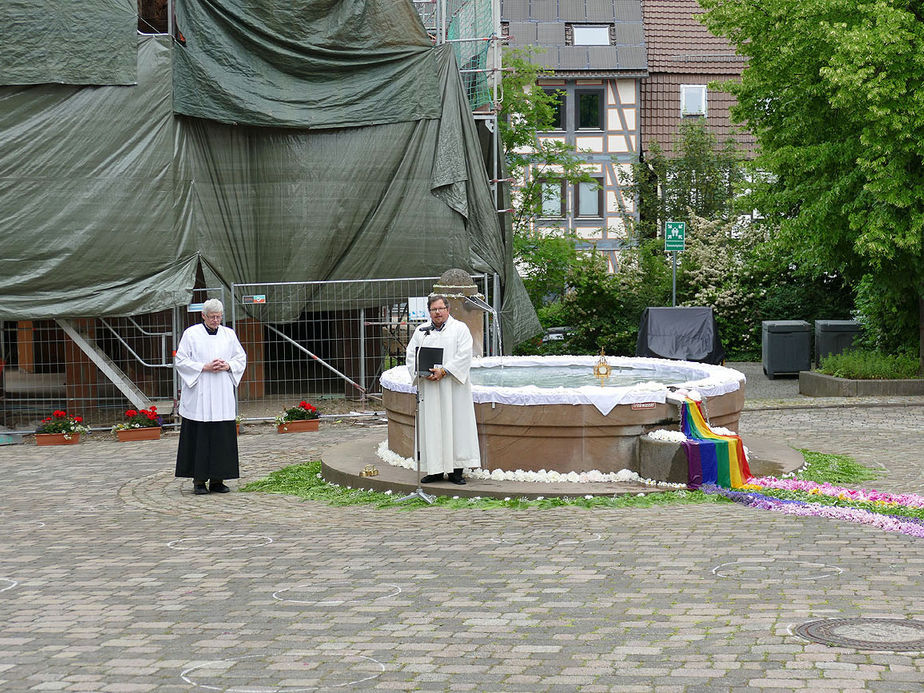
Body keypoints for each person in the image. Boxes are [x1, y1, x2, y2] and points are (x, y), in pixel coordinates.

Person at [405, 294, 481, 484]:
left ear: (448, 309)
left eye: (441, 308)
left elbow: (465, 355)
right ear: (429, 312)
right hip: (430, 389)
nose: (437, 312)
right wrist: (423, 372)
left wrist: (444, 371)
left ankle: (456, 471)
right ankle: (435, 470)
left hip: (452, 389)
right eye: (433, 309)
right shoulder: (422, 331)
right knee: (432, 427)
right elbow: (411, 355)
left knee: (455, 425)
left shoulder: (460, 329)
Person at [174, 299, 247, 495]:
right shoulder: (191, 334)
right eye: (212, 317)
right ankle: (199, 481)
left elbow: (240, 358)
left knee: (221, 437)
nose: (216, 320)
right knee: (200, 437)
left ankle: (218, 480)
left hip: (221, 392)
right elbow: (181, 360)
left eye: (219, 316)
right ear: (203, 316)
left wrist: (228, 366)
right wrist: (204, 367)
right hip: (200, 393)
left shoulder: (229, 335)